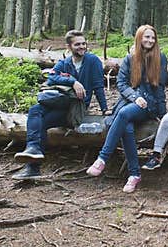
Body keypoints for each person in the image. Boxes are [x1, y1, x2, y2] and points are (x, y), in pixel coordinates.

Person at [13, 30, 108, 180]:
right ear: (69, 47)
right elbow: (51, 78)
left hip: (75, 109)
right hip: (59, 103)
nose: (82, 47)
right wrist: (73, 81)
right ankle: (33, 154)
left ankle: (32, 165)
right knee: (35, 110)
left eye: (84, 43)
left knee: (41, 122)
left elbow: (98, 86)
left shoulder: (93, 61)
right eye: (77, 44)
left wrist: (104, 109)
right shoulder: (65, 63)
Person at [86, 24, 168, 193]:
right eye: (146, 37)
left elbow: (160, 86)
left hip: (148, 104)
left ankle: (103, 157)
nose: (150, 40)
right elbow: (121, 84)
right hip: (129, 101)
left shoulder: (161, 57)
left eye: (152, 37)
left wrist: (162, 113)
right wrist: (134, 97)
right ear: (139, 38)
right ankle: (134, 174)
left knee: (123, 115)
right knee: (127, 129)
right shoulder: (130, 58)